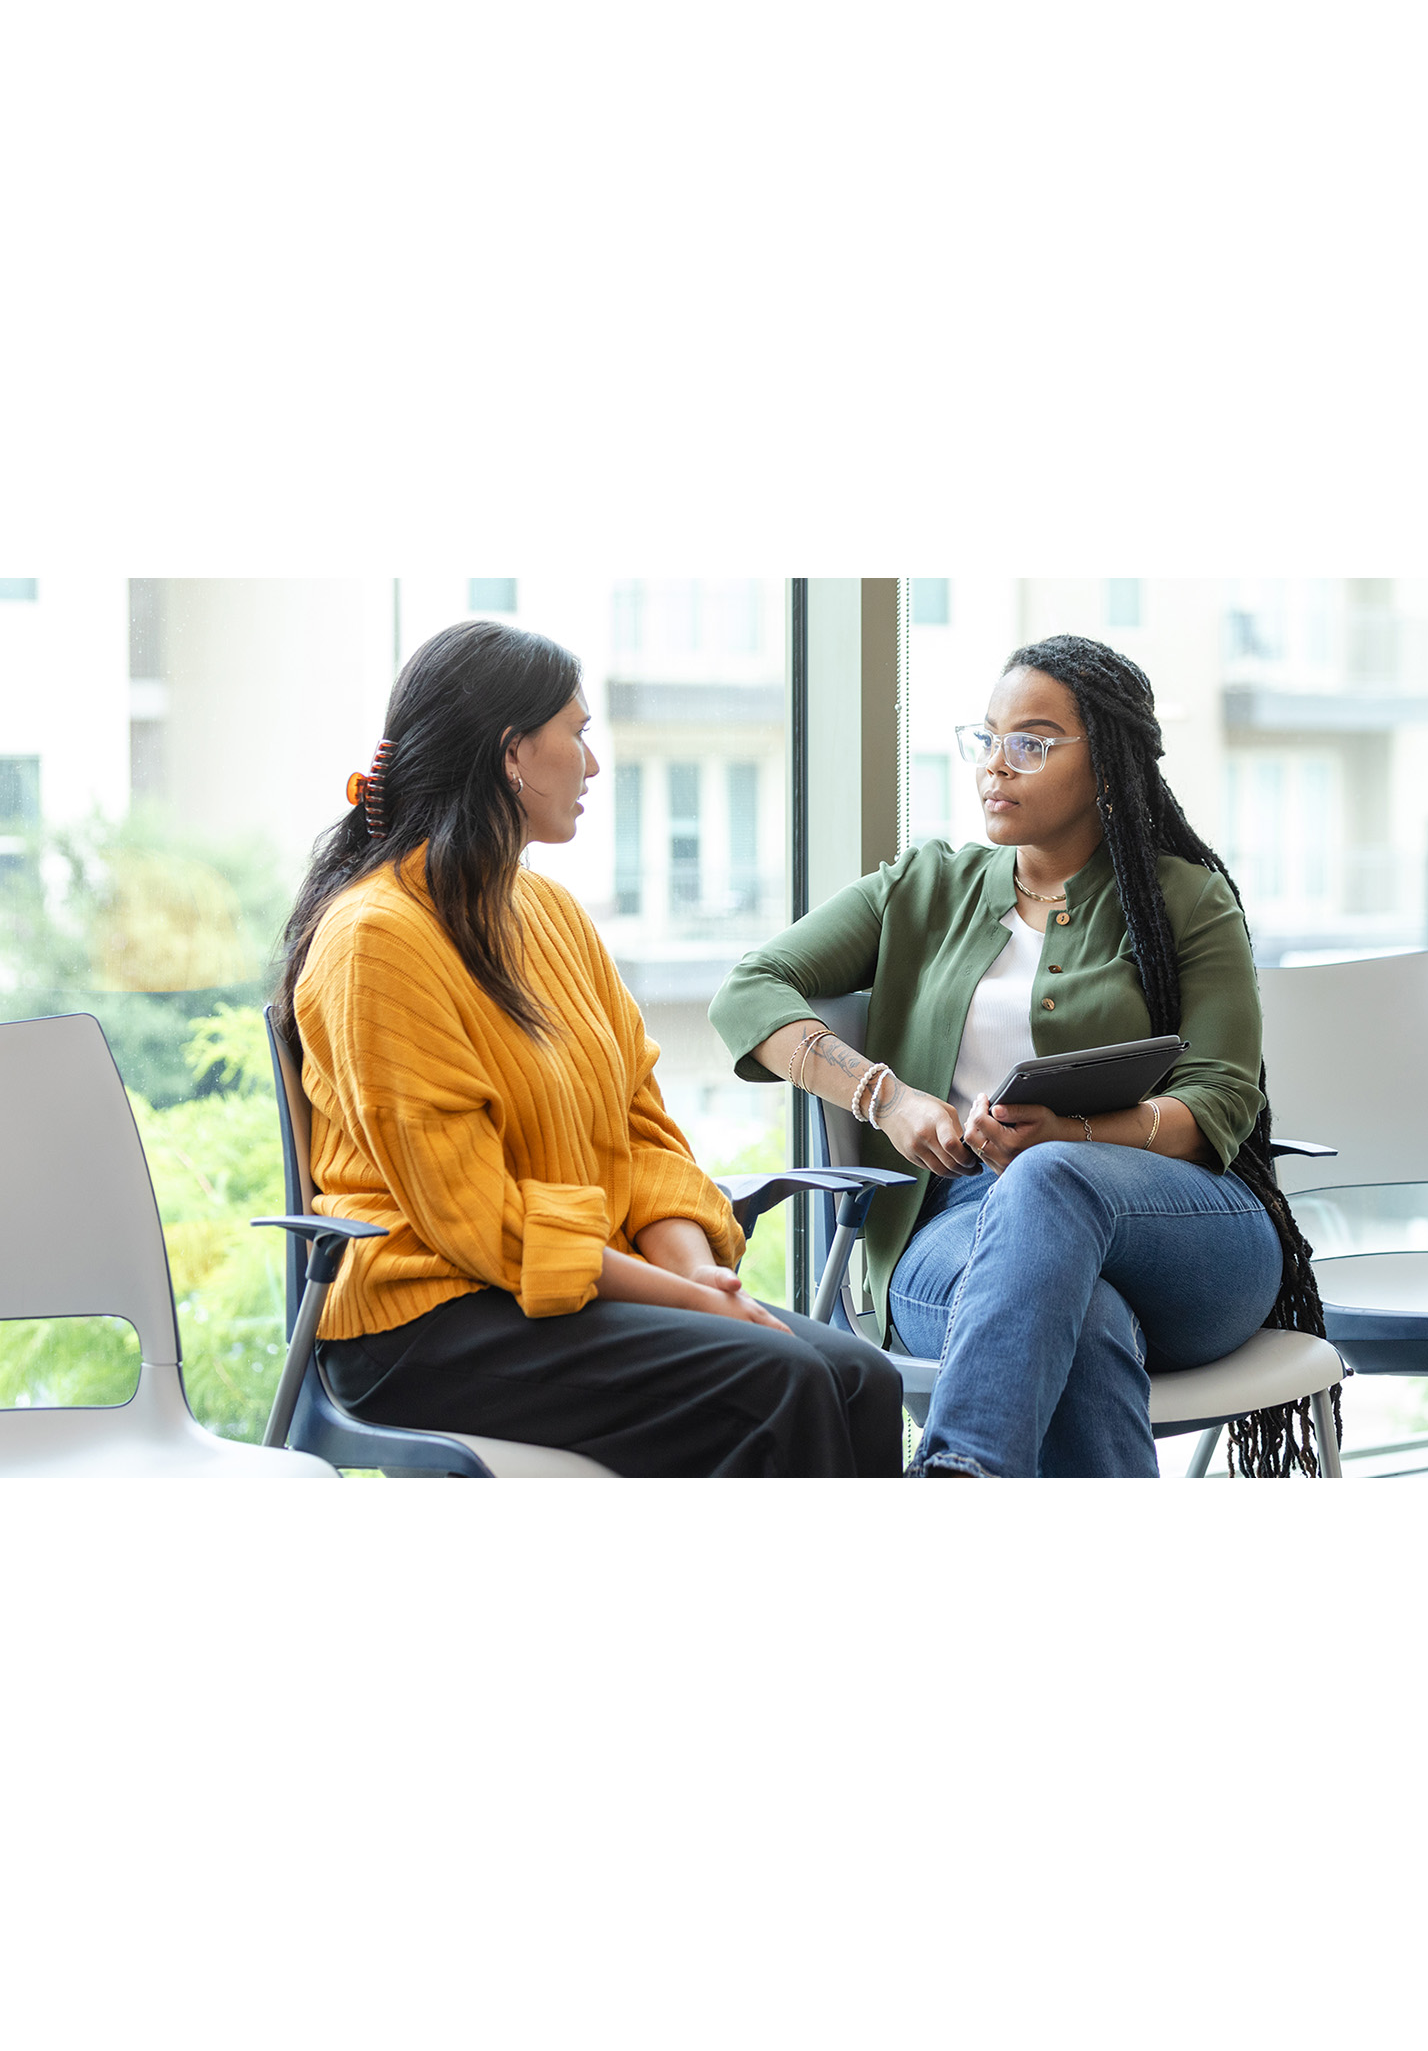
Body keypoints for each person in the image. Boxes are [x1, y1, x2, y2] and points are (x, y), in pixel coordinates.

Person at [275, 620, 903, 1478]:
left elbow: (642, 1134)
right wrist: (684, 1296)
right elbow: (474, 1218)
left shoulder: (551, 915)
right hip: (423, 1321)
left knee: (861, 1376)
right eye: (577, 733)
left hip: (560, 1294)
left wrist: (705, 1284)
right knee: (783, 1380)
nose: (593, 765)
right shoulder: (376, 938)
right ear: (512, 755)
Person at [710, 632, 1333, 1478]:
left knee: (1049, 1177)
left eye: (1030, 743)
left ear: (1107, 766)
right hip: (955, 1234)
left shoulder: (1186, 896)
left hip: (1184, 1238)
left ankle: (959, 1472)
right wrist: (885, 1098)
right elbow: (750, 990)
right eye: (988, 739)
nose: (995, 766)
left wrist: (1079, 1135)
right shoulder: (925, 886)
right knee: (1084, 1322)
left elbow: (1224, 1098)